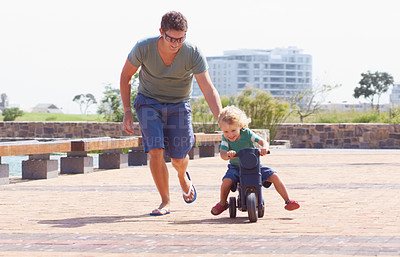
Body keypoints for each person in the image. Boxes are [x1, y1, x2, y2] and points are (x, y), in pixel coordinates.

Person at [120, 11, 222, 216]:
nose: (176, 43)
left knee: (178, 157)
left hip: (178, 105)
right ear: (161, 32)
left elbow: (208, 88)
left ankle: (183, 177)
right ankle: (165, 201)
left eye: (181, 38)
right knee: (155, 150)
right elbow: (125, 76)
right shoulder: (143, 47)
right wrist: (127, 111)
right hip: (148, 102)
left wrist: (221, 118)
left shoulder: (192, 52)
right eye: (171, 38)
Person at [211, 106, 299, 215]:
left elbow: (262, 141)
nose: (230, 134)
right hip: (236, 168)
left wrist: (265, 148)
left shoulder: (247, 133)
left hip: (254, 166)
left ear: (240, 126)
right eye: (226, 131)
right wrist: (228, 155)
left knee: (274, 176)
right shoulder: (225, 139)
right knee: (226, 181)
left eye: (233, 130)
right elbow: (222, 154)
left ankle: (287, 200)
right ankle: (223, 203)